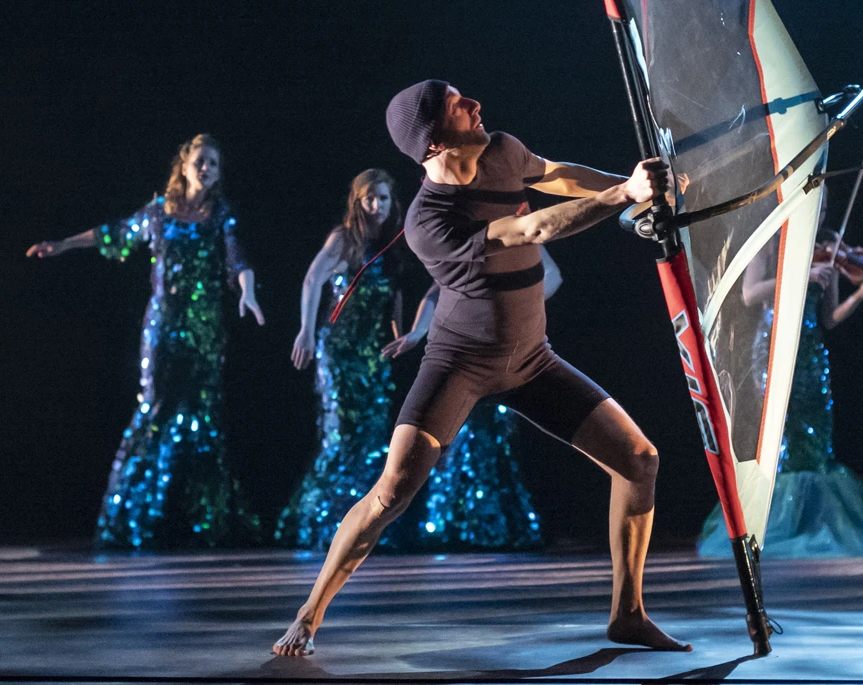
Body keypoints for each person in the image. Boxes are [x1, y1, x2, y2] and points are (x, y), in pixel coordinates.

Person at [272, 81, 682, 656]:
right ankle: (308, 614)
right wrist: (624, 195)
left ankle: (628, 614)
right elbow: (530, 229)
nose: (476, 105)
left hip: (532, 360)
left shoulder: (504, 149)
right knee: (391, 493)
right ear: (434, 142)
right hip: (460, 363)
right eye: (458, 106)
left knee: (639, 460)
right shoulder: (428, 221)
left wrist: (638, 188)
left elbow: (557, 175)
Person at [28, 134, 263, 549]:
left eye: (213, 163)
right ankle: (129, 521)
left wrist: (248, 291)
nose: (206, 168)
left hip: (205, 334)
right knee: (154, 411)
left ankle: (207, 522)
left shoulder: (221, 214)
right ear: (184, 166)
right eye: (200, 161)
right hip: (164, 329)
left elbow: (237, 257)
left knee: (202, 419)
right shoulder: (159, 212)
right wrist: (64, 244)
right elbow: (117, 232)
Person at [698, 238, 863, 558]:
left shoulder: (827, 253)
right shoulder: (770, 245)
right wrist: (802, 275)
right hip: (775, 349)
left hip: (811, 353)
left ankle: (812, 524)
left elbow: (830, 318)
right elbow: (750, 294)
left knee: (816, 444)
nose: (820, 217)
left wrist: (862, 291)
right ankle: (781, 527)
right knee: (787, 442)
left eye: (823, 212)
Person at [385, 247, 557, 551]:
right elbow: (436, 291)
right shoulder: (461, 236)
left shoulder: (515, 231)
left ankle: (490, 525)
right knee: (453, 436)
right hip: (463, 351)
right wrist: (417, 333)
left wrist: (515, 305)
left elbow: (553, 275)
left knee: (489, 437)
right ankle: (457, 525)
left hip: (503, 349)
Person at [277, 170, 408, 548]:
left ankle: (365, 525)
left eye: (383, 199)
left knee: (373, 438)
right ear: (358, 201)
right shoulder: (344, 239)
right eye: (370, 198)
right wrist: (305, 330)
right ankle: (319, 522)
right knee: (341, 433)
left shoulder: (392, 245)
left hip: (372, 355)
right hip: (338, 352)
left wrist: (401, 333)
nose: (377, 206)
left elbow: (394, 295)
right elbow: (312, 280)